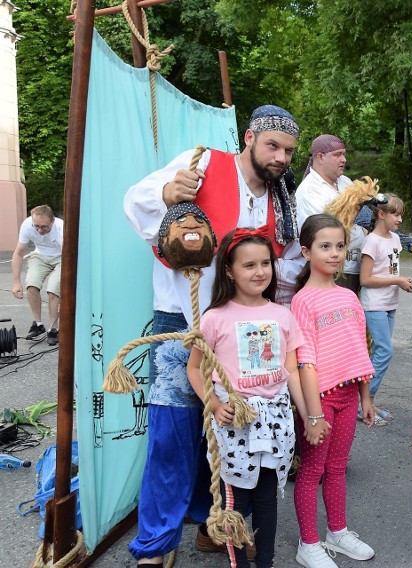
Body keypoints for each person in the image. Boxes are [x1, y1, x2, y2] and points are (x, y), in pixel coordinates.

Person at [124, 104, 301, 565]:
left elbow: (291, 262)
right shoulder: (203, 163)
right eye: (273, 145)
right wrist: (167, 192)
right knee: (172, 433)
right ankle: (156, 544)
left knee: (232, 425)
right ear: (249, 137)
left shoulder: (284, 199)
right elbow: (135, 201)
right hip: (182, 320)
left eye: (288, 150)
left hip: (245, 333)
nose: (281, 157)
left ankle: (213, 523)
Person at [186, 229, 305, 568]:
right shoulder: (214, 318)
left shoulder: (282, 315)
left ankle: (265, 562)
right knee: (235, 504)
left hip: (276, 425)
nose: (260, 272)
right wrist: (216, 405)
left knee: (268, 501)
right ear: (228, 270)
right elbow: (195, 369)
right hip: (234, 428)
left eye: (266, 263)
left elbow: (291, 370)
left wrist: (310, 415)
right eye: (249, 265)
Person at [290, 214, 376, 568]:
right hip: (319, 400)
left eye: (340, 246)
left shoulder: (349, 297)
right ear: (306, 252)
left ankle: (336, 533)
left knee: (338, 467)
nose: (335, 253)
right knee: (312, 470)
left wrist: (366, 398)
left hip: (348, 397)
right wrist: (312, 414)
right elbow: (304, 363)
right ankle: (308, 543)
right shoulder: (302, 302)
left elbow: (360, 350)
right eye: (325, 246)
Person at [359, 192, 412, 422]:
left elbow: (389, 270)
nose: (399, 219)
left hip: (390, 304)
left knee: (378, 354)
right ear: (381, 214)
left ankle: (368, 403)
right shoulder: (371, 241)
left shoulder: (394, 239)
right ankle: (364, 404)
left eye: (401, 214)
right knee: (384, 352)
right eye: (395, 214)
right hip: (375, 306)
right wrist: (397, 280)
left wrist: (400, 280)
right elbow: (365, 279)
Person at [11, 205, 63, 346]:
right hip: (40, 255)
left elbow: (72, 257)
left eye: (44, 227)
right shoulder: (28, 225)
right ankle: (38, 325)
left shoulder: (61, 229)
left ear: (52, 221)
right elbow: (19, 253)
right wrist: (16, 283)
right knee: (31, 286)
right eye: (37, 226)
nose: (39, 230)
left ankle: (53, 329)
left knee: (53, 289)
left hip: (61, 257)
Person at [296, 134, 352, 232]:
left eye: (343, 154)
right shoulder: (309, 191)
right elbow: (329, 233)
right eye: (337, 154)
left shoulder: (345, 181)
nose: (344, 159)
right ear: (321, 157)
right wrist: (362, 227)